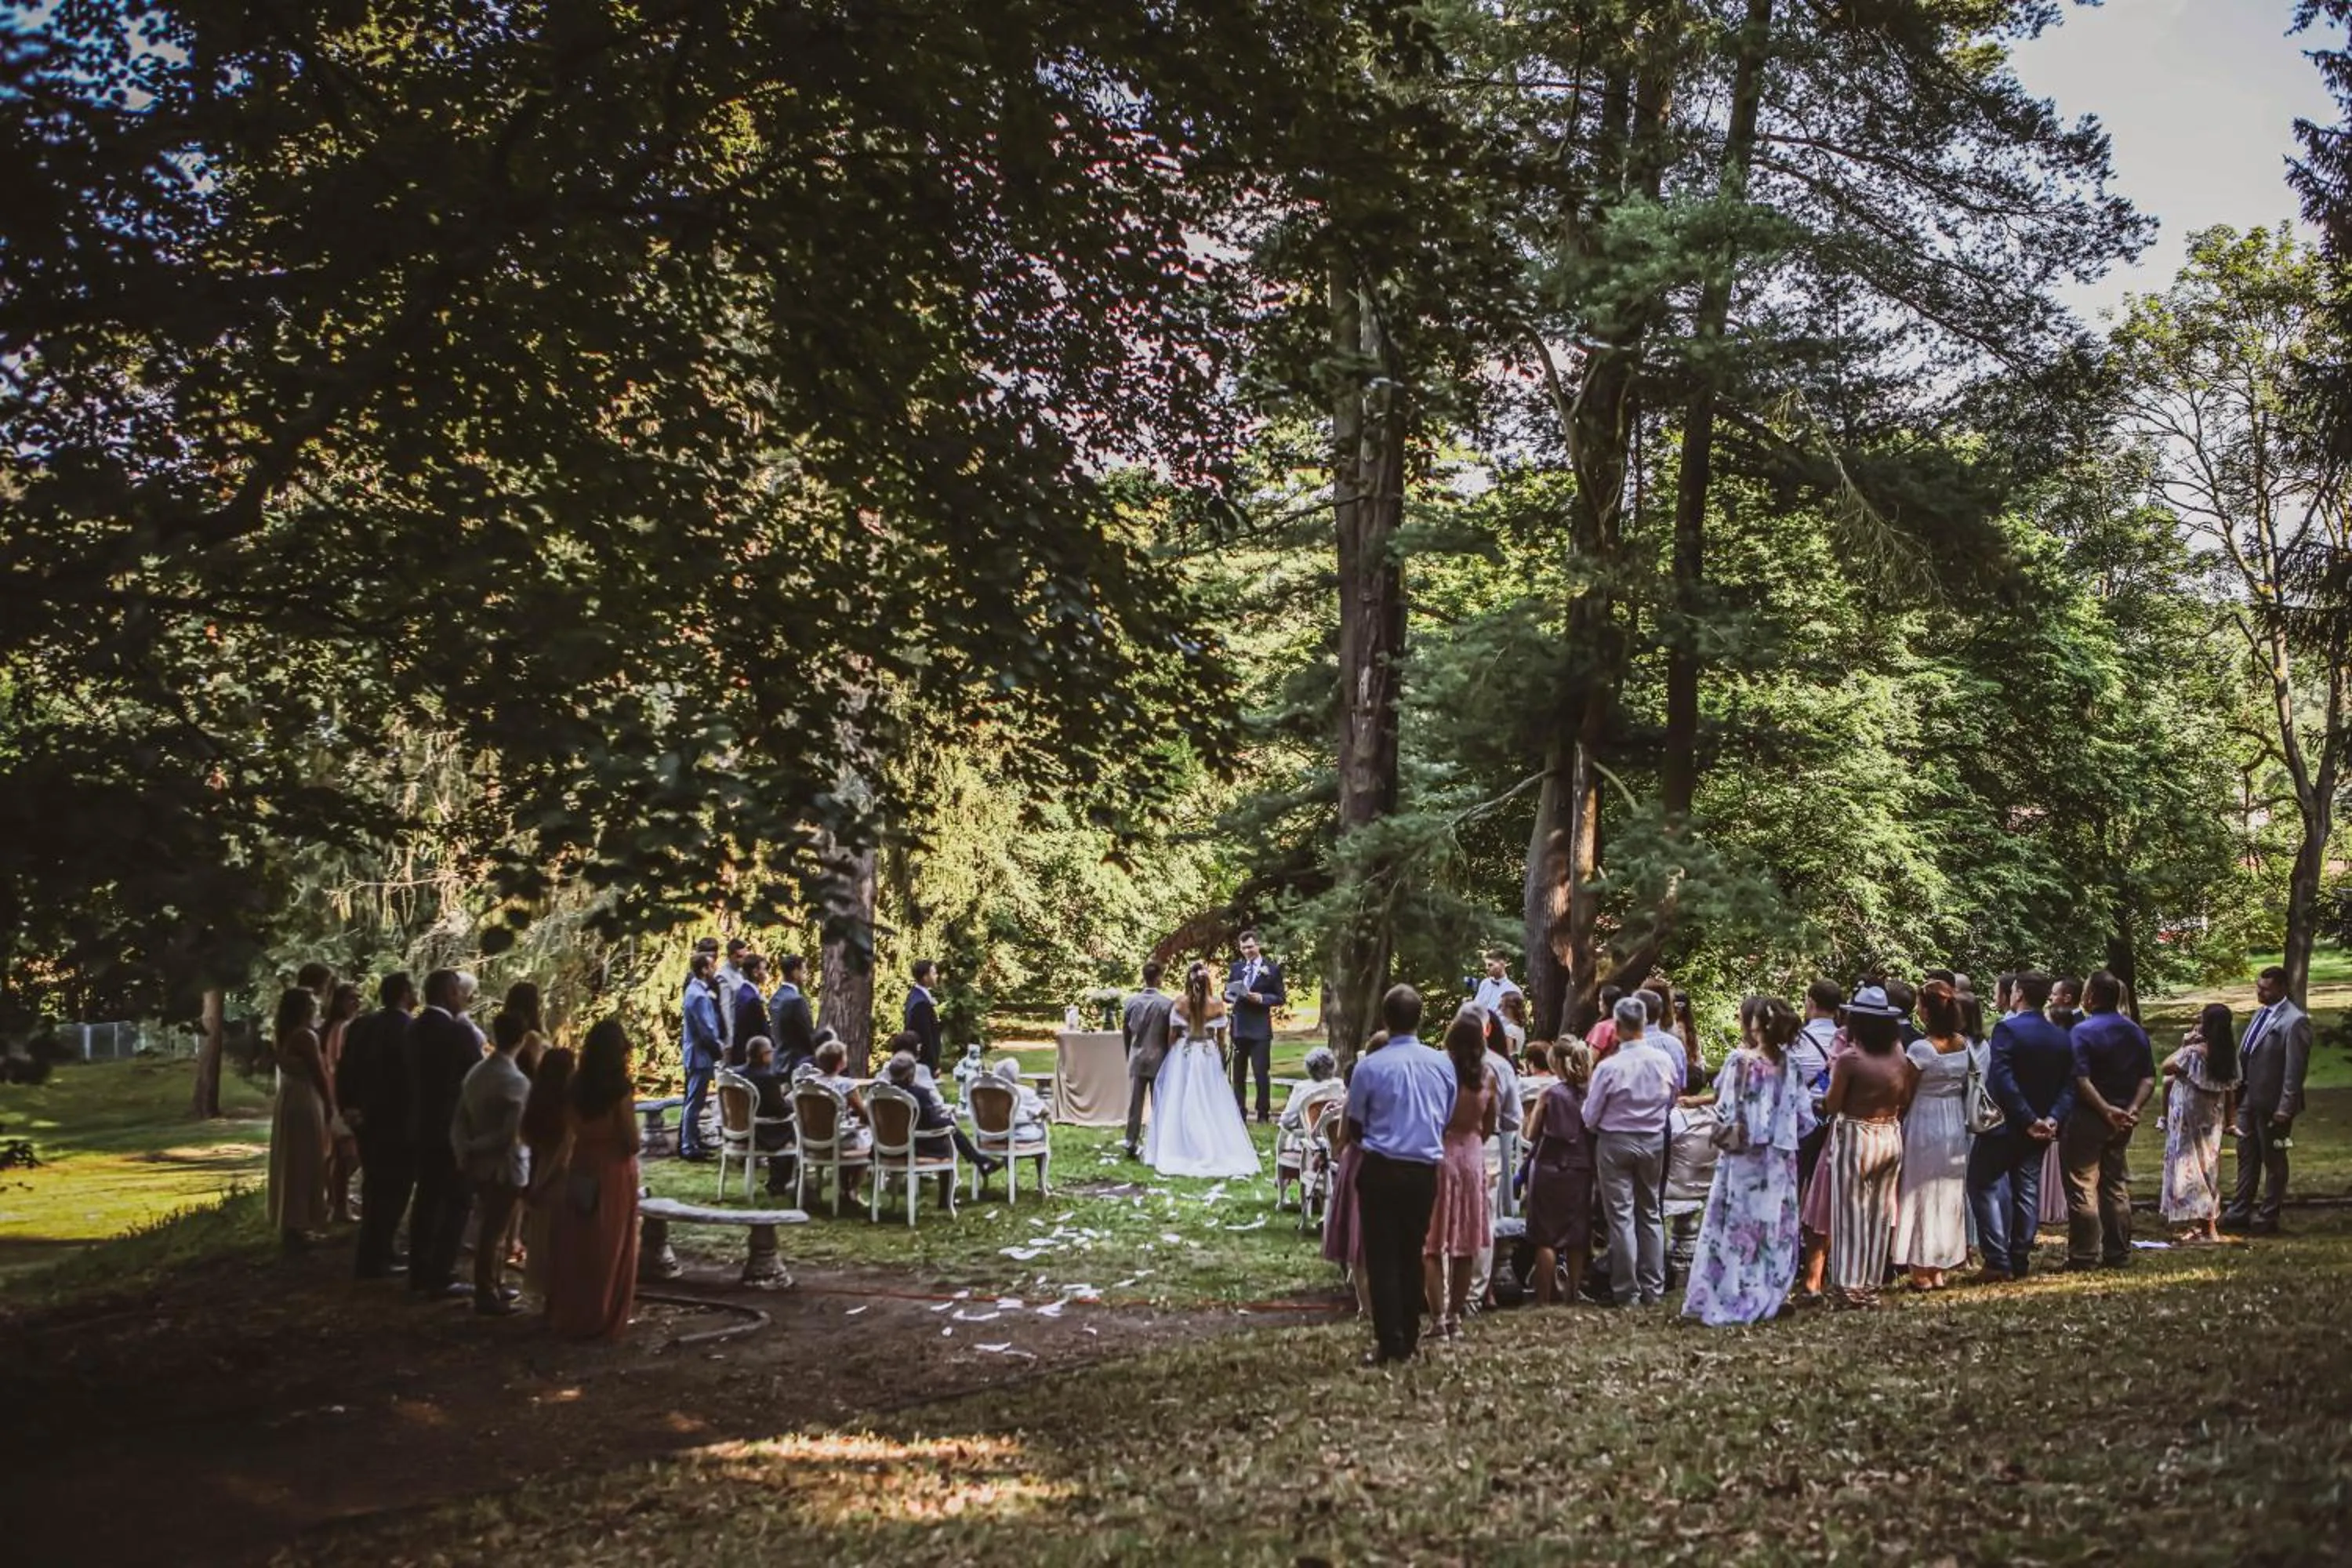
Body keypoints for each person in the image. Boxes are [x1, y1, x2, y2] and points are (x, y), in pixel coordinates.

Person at [1684, 996, 1816, 1327]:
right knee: (1770, 1227)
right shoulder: (1791, 1067)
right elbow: (1805, 1118)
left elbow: (1725, 1109)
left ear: (1755, 1025)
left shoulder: (1739, 1062)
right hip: (1779, 1159)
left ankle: (1729, 1292)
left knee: (1735, 1225)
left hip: (1743, 1158)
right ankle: (1767, 1290)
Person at [1345, 986, 1456, 1366]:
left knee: (1382, 1256)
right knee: (1411, 1253)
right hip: (1423, 1168)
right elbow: (1447, 1113)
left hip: (1382, 1164)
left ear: (1385, 1019)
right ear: (1419, 1019)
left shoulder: (1370, 1066)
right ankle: (1407, 1335)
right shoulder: (1441, 1064)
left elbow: (1355, 1123)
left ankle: (1391, 1339)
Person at [1965, 971, 2074, 1283]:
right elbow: (2069, 1085)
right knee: (2027, 1190)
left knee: (1981, 1183)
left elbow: (2004, 1079)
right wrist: (2051, 1118)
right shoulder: (2060, 1036)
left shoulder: (2007, 1030)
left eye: (2012, 990)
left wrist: (2028, 1119)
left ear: (2020, 995)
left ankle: (1998, 1258)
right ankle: (2019, 1257)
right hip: (2040, 1127)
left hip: (2008, 1126)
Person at [543, 1018, 641, 1340]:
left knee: (580, 1242)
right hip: (614, 1170)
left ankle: (574, 1313)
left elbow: (568, 1136)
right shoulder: (619, 1091)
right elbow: (632, 1140)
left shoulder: (574, 1088)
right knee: (611, 1245)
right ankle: (604, 1316)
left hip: (582, 1165)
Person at [1821, 985, 1918, 1309]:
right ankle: (1871, 1283)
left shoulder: (1850, 1059)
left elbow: (1833, 1104)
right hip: (1890, 1133)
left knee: (1850, 1213)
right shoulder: (1899, 1054)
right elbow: (1905, 1098)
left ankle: (1849, 1285)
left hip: (1856, 1133)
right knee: (1880, 1213)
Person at [1582, 995, 1681, 1307]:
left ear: (1619, 1026)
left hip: (1615, 1140)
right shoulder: (1663, 1061)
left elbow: (1590, 1114)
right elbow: (1673, 1097)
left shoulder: (1610, 1067)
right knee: (1650, 1212)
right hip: (1652, 1138)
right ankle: (1654, 1287)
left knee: (1621, 1215)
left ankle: (1627, 1290)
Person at [2061, 970, 2155, 1270]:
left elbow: (2081, 1078)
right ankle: (2119, 1252)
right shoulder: (2134, 1031)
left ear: (2090, 997)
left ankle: (2084, 1255)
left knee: (2082, 1184)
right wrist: (2133, 1109)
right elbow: (2148, 1078)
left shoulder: (2082, 1032)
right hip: (2122, 1119)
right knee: (2114, 1185)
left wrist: (2104, 1109)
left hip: (2089, 1116)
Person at [406, 968, 486, 1298]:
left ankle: (419, 1271)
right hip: (451, 1129)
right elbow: (476, 1080)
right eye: (459, 993)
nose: (463, 999)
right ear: (450, 994)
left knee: (425, 1199)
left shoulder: (412, 1029)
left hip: (421, 1125)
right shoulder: (457, 1033)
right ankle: (442, 1273)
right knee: (457, 1200)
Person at [1893, 979, 1973, 1290]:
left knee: (1920, 1190)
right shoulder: (1962, 1044)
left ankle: (1921, 1267)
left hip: (1925, 1119)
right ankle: (1940, 1263)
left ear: (1925, 1010)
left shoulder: (1921, 1049)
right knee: (1947, 1190)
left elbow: (1905, 1092)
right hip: (1953, 1119)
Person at [1423, 1007, 1497, 1340]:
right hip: (1471, 1156)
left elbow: (1428, 1115)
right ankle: (1456, 1316)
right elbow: (1490, 1124)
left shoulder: (1438, 1073)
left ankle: (1438, 1318)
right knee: (1465, 1243)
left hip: (1439, 1152)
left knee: (1431, 1244)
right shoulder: (1488, 1075)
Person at [1147, 962, 1260, 1178]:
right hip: (1207, 1054)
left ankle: (1180, 1143)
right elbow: (1221, 1039)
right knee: (1211, 1099)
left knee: (1178, 1098)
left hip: (1185, 1053)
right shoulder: (1217, 1004)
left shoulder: (1180, 1003)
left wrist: (1173, 1055)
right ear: (1208, 982)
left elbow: (1172, 1035)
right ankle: (1214, 1144)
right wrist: (1220, 1057)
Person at [339, 973, 419, 1279]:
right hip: (396, 1122)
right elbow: (409, 1080)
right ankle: (377, 1256)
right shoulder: (408, 1029)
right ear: (403, 994)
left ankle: (376, 1252)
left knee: (375, 1185)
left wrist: (348, 1106)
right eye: (412, 990)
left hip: (365, 1120)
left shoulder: (362, 1025)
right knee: (395, 1189)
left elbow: (345, 1068)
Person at [453, 1009, 532, 1316]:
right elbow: (509, 1135)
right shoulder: (515, 1081)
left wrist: (464, 1149)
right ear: (523, 1039)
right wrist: (475, 1146)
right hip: (504, 1166)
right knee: (494, 1230)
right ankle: (486, 1290)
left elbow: (459, 1119)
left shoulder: (476, 1073)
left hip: (479, 1164)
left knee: (491, 1225)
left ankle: (495, 1282)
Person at [2224, 965, 2313, 1236]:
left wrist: (2286, 1106)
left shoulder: (2295, 1021)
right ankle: (2239, 1211)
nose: (2259, 992)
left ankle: (2268, 1214)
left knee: (2274, 1159)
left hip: (2274, 1104)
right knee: (2246, 1155)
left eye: (2265, 988)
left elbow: (2294, 1070)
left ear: (2282, 989)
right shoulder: (2260, 1014)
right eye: (2258, 986)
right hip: (2248, 1097)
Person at [1523, 1040, 1596, 1308]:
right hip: (1581, 1168)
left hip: (1549, 1165)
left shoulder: (1550, 1095)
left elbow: (1530, 1134)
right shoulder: (1591, 1095)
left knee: (1546, 1236)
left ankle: (1544, 1297)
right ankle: (1573, 1294)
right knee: (1576, 1234)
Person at [2162, 1003, 2235, 1244]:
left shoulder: (2194, 1052)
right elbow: (2230, 1089)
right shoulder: (2226, 1054)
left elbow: (2167, 1065)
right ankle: (2203, 1225)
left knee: (2192, 1169)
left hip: (2189, 1117)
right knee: (2208, 1166)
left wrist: (2184, 1045)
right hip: (2212, 1116)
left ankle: (2207, 1228)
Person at [267, 988, 332, 1252]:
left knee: (292, 1159)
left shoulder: (284, 1034)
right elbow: (319, 1073)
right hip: (305, 1099)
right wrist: (329, 1105)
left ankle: (294, 1222)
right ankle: (300, 1223)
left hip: (289, 1098)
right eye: (311, 1004)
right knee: (306, 1159)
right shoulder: (305, 1036)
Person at [883, 1047, 1000, 1175]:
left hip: (884, 1148)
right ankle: (949, 1192)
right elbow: (930, 1121)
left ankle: (981, 1161)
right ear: (911, 1073)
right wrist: (947, 1121)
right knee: (948, 1140)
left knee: (949, 1127)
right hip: (916, 1146)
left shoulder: (880, 1093)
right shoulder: (918, 1094)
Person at [518, 1046, 575, 1301]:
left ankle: (547, 1297)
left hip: (539, 1170)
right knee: (561, 1241)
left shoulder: (536, 1103)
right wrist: (546, 1182)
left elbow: (526, 1137)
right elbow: (565, 1152)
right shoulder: (569, 1106)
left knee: (542, 1240)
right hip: (559, 1179)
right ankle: (559, 1299)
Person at [1226, 929, 1286, 1123]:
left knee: (1261, 1073)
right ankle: (1239, 1112)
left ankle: (1262, 1114)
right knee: (1239, 1074)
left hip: (1260, 1029)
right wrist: (1230, 995)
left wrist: (1260, 998)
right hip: (1240, 1026)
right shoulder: (1236, 968)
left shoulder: (1272, 969)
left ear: (1258, 946)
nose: (1247, 951)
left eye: (1250, 947)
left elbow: (1280, 997)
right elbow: (1228, 993)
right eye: (1243, 948)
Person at [1790, 978, 1842, 1201]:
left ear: (1810, 1002)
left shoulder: (1796, 1039)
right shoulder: (1847, 1038)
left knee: (1797, 1173)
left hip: (1804, 1113)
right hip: (1834, 1114)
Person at [1121, 960, 1176, 1160]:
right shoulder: (1167, 1004)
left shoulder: (1130, 1002)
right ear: (1159, 978)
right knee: (1159, 1102)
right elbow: (1169, 1035)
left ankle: (1130, 1141)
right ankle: (1159, 1140)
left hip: (1137, 1056)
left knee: (1135, 1103)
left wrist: (1130, 1054)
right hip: (1158, 1057)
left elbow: (1126, 1033)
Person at [318, 981, 363, 1224]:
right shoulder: (343, 1027)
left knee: (337, 1154)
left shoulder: (332, 1027)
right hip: (339, 1096)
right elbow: (338, 1066)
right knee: (349, 1154)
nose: (357, 1002)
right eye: (351, 998)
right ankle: (338, 1205)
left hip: (333, 1095)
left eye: (358, 998)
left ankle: (335, 1202)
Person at [678, 951, 724, 1162]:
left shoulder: (697, 991)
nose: (715, 969)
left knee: (695, 1100)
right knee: (694, 1102)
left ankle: (693, 1141)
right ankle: (688, 1146)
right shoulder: (697, 994)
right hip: (699, 1055)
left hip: (700, 1054)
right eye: (712, 966)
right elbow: (706, 1029)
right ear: (704, 969)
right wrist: (718, 1050)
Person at [738, 1037, 797, 1195]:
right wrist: (791, 1106)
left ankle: (778, 1181)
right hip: (761, 1130)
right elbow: (779, 1110)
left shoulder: (736, 1074)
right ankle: (779, 1183)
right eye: (770, 1052)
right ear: (764, 1054)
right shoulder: (766, 1078)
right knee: (792, 1128)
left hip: (737, 1129)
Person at [766, 955, 818, 1073]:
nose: (806, 977)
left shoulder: (775, 998)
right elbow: (808, 1035)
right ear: (795, 973)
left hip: (778, 1062)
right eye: (804, 972)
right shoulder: (797, 1001)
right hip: (798, 1064)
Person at [729, 955, 770, 1069]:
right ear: (755, 972)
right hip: (750, 1059)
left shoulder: (743, 992)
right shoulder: (752, 999)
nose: (766, 973)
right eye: (764, 969)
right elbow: (761, 1031)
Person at [503, 981, 550, 1077]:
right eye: (538, 1001)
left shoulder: (506, 1035)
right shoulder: (531, 1038)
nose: (541, 1006)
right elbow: (538, 1070)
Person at [1472, 951, 1523, 1019]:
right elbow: (1477, 1006)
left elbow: (1514, 1018)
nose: (1487, 968)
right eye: (1486, 965)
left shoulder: (1513, 990)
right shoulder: (1484, 984)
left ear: (1502, 964)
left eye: (1490, 965)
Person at [1584, 985, 1626, 1061]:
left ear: (1607, 1003)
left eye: (1600, 1000)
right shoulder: (1625, 1026)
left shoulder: (1603, 1028)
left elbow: (1591, 1058)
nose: (1599, 1003)